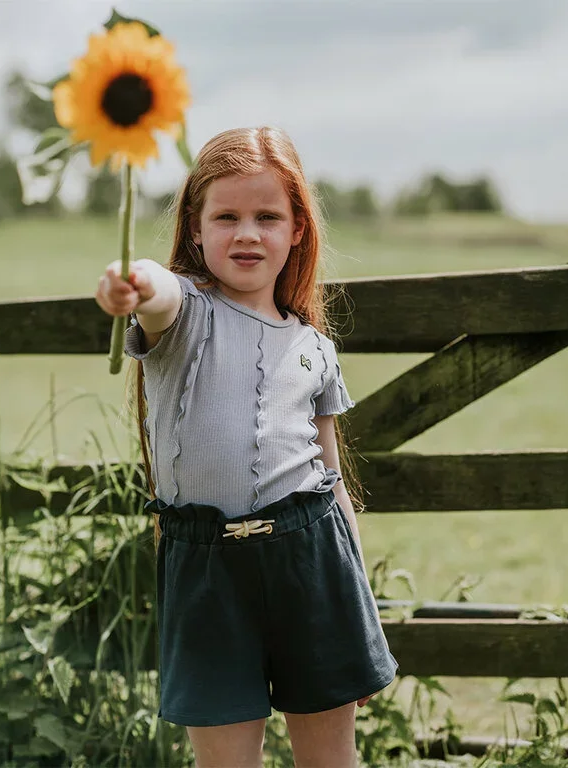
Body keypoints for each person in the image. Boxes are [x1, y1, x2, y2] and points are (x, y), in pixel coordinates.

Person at [95, 126, 398, 768]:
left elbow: (333, 479)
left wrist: (361, 608)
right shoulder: (185, 315)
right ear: (195, 229)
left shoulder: (315, 347)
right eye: (226, 217)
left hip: (313, 559)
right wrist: (133, 281)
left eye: (268, 217)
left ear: (298, 230)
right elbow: (156, 289)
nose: (247, 234)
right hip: (205, 569)